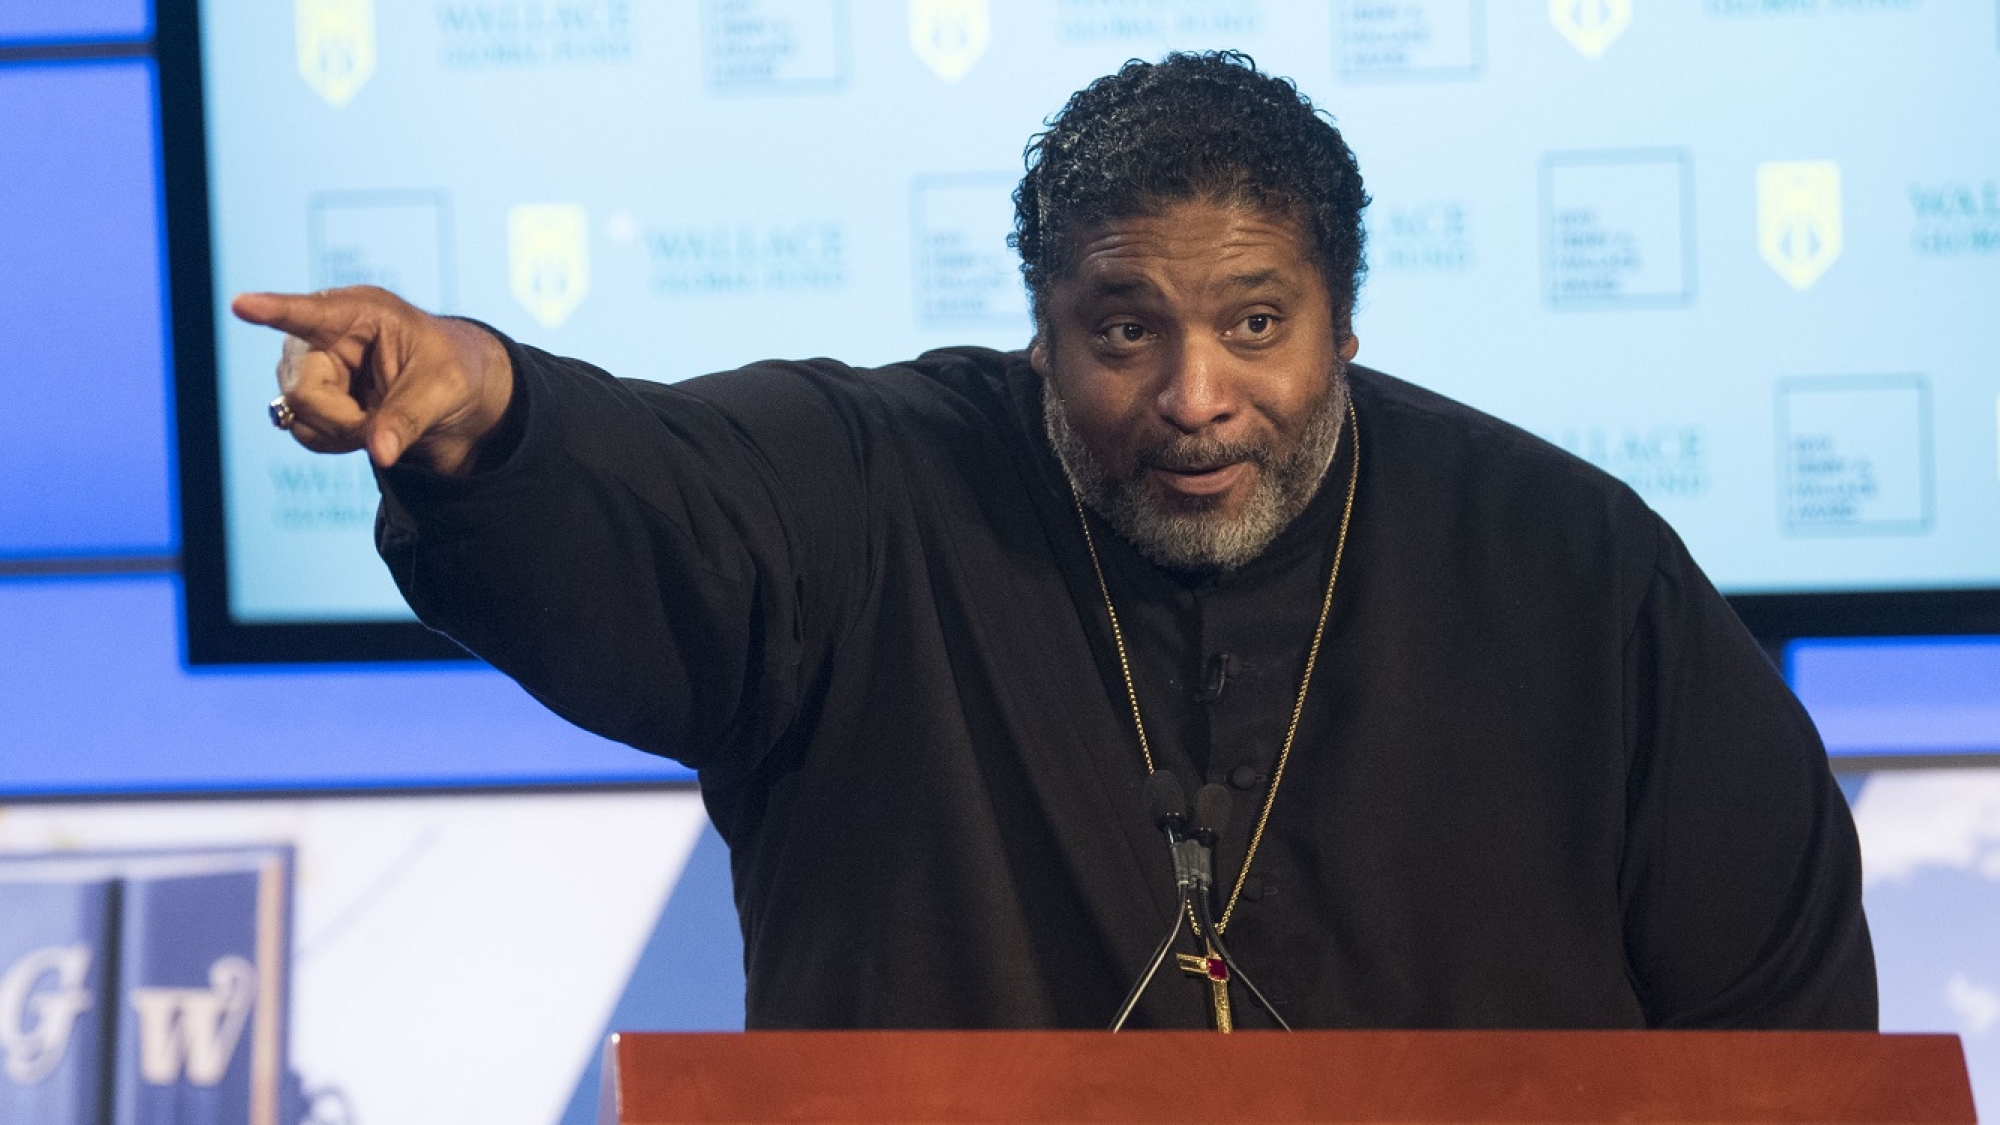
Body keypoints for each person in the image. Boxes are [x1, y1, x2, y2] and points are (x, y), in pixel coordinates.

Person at [239, 52, 1875, 1031]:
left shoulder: (1572, 573)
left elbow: (1782, 1030)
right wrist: (487, 410)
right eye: (1122, 331)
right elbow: (656, 492)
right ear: (1040, 331)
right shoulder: (879, 494)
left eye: (1256, 322)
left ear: (1347, 326)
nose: (1195, 396)